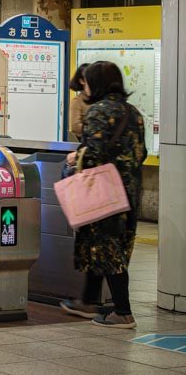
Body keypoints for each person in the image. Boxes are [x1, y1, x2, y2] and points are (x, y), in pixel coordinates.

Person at [60, 61, 146, 329]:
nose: (84, 86)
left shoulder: (99, 111)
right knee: (103, 244)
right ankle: (87, 301)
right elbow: (141, 153)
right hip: (129, 191)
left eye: (86, 82)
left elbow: (93, 153)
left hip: (104, 192)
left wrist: (76, 157)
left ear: (96, 84)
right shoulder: (134, 113)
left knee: (108, 249)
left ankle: (123, 312)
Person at [69, 63, 90, 141]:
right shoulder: (77, 101)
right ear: (82, 81)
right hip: (83, 141)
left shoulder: (100, 100)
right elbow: (75, 127)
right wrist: (94, 129)